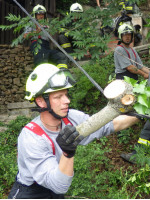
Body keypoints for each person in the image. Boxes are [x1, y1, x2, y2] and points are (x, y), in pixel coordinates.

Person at [8, 63, 139, 198]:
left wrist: (142, 113)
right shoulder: (31, 137)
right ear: (41, 101)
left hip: (56, 189)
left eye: (66, 94)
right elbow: (59, 186)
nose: (67, 100)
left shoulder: (70, 117)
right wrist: (68, 153)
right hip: (31, 192)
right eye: (58, 97)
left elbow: (109, 125)